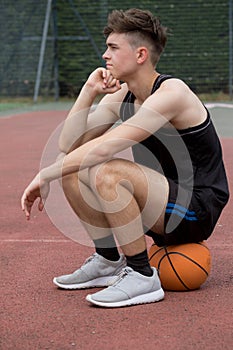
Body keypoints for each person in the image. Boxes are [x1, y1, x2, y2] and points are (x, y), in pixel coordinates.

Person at [21, 8, 229, 308]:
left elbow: (106, 146)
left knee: (108, 170)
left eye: (113, 48)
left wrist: (45, 174)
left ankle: (142, 276)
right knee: (72, 168)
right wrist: (89, 90)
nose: (105, 55)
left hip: (196, 207)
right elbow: (69, 143)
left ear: (141, 54)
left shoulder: (173, 93)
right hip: (161, 200)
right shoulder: (124, 95)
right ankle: (107, 261)